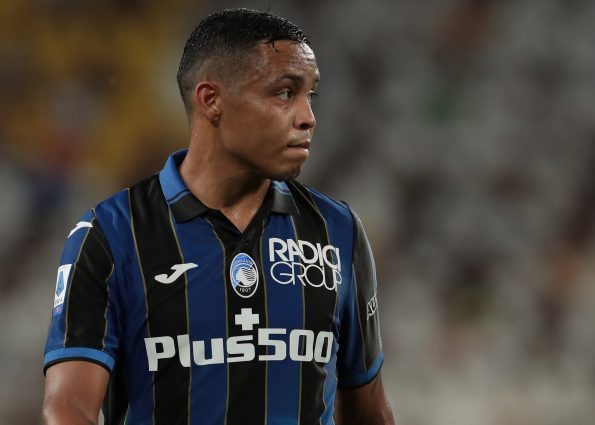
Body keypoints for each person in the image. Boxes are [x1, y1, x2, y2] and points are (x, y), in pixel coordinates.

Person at [42, 8, 395, 425]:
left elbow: (369, 411)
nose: (308, 118)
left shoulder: (338, 230)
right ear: (211, 100)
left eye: (309, 95)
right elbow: (68, 408)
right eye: (285, 93)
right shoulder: (111, 235)